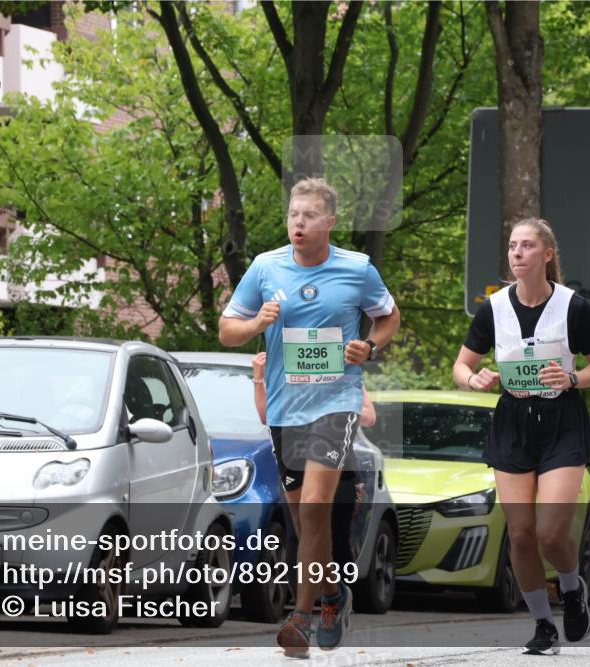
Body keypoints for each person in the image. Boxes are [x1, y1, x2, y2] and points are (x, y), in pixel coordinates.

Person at [220, 177, 400, 658]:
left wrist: (370, 345)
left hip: (337, 403)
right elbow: (226, 331)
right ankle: (332, 595)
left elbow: (388, 317)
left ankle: (299, 618)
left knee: (318, 507)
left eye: (309, 216)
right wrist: (257, 323)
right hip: (285, 408)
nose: (299, 223)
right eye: (293, 215)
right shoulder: (264, 268)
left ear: (330, 223)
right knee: (303, 518)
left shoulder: (357, 269)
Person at [452, 218, 590, 655]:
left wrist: (573, 377)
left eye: (526, 246)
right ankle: (543, 624)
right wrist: (474, 381)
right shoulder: (494, 307)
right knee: (520, 534)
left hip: (562, 422)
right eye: (512, 246)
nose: (516, 253)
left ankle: (572, 588)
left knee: (551, 533)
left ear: (547, 254)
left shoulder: (573, 307)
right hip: (514, 422)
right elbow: (461, 365)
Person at [252, 352, 374, 582]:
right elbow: (265, 415)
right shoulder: (283, 370)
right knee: (295, 536)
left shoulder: (344, 369)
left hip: (339, 467)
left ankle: (338, 602)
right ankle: (301, 608)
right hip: (294, 462)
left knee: (336, 537)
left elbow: (369, 416)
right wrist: (259, 378)